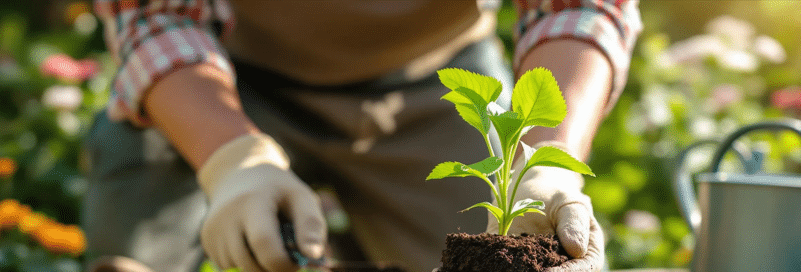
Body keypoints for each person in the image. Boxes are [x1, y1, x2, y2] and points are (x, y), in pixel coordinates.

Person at [83, 0, 641, 271]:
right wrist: (231, 161)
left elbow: (579, 7)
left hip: (437, 81)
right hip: (228, 77)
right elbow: (153, 16)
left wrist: (546, 157)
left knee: (524, 253)